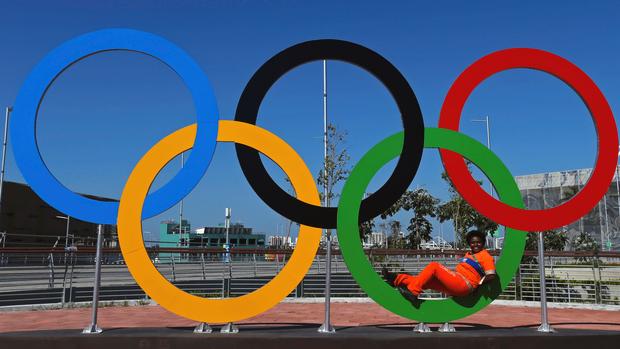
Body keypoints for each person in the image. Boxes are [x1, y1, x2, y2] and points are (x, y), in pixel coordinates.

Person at [382, 230, 496, 304]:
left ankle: (413, 292)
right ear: (469, 243)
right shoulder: (469, 254)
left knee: (434, 266)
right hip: (458, 281)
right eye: (473, 242)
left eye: (478, 242)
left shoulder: (485, 256)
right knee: (425, 282)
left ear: (483, 243)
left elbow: (491, 275)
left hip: (464, 284)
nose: (475, 244)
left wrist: (478, 285)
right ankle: (396, 279)